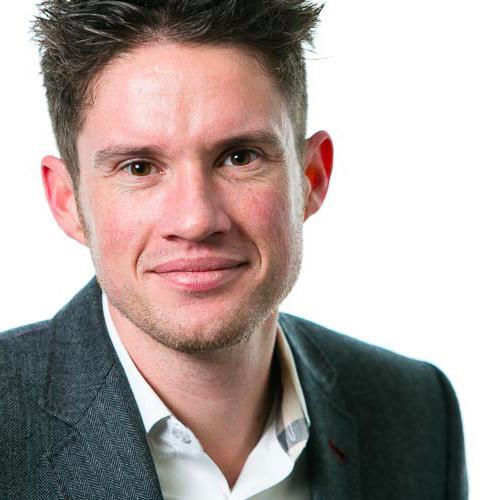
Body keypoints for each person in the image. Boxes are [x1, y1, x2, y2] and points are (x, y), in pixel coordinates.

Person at [0, 1, 467, 498]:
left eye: (239, 158)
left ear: (311, 178)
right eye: (139, 167)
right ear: (67, 200)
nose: (196, 220)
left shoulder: (416, 412)